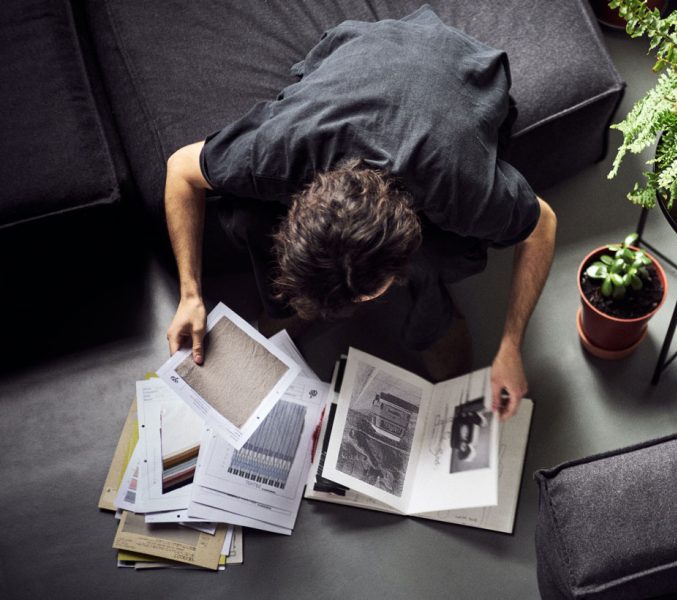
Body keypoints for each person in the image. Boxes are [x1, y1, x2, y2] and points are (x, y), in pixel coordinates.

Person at [163, 7, 555, 421]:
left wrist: (511, 345)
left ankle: (435, 321)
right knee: (242, 217)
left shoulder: (460, 189)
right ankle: (290, 311)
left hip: (461, 72)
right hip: (366, 52)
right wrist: (191, 295)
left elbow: (541, 225)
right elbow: (181, 170)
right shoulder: (281, 149)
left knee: (434, 261)